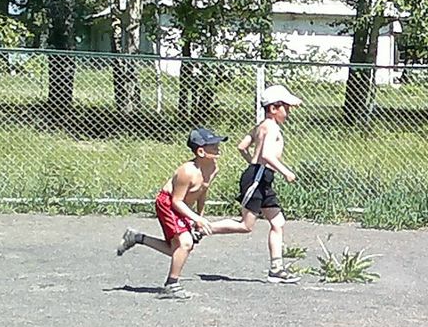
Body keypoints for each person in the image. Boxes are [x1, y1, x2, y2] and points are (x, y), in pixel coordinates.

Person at [117, 128, 250, 299]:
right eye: (212, 145)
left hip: (182, 206)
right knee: (185, 243)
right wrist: (195, 218)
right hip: (168, 203)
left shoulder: (213, 168)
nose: (217, 147)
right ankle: (171, 285)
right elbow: (176, 201)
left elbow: (202, 191)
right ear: (201, 151)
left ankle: (137, 237)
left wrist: (200, 216)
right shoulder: (187, 172)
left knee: (177, 249)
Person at [235, 85, 304, 284]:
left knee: (278, 222)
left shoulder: (261, 126)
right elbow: (266, 154)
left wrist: (253, 164)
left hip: (261, 176)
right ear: (273, 108)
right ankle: (203, 228)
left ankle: (276, 269)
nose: (288, 112)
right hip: (257, 179)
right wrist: (286, 172)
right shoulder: (272, 127)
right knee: (246, 226)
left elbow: (242, 147)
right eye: (286, 108)